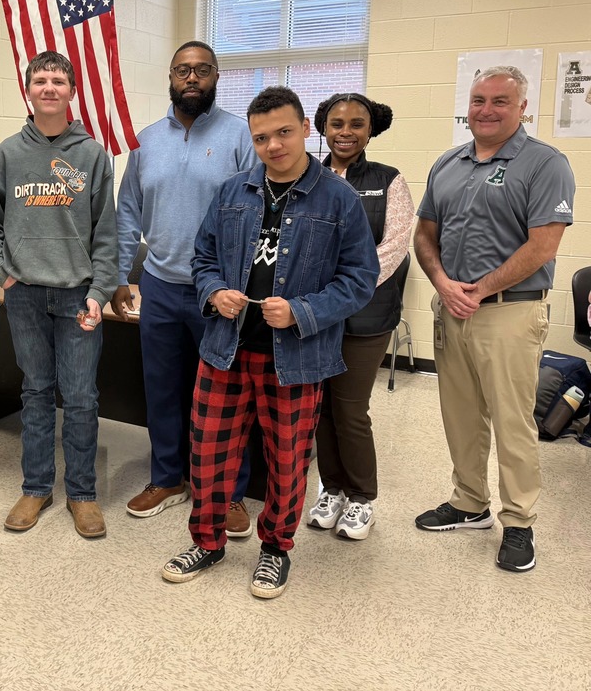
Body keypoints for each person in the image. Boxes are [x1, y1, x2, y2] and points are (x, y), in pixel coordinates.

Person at [162, 86, 378, 599]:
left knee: (286, 459)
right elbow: (203, 259)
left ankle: (276, 549)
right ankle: (208, 541)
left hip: (296, 358)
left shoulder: (338, 198)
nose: (274, 145)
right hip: (225, 349)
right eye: (261, 137)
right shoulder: (234, 191)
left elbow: (360, 278)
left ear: (306, 128)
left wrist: (302, 311)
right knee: (209, 452)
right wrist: (214, 292)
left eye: (284, 132)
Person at [414, 65, 574, 573]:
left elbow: (544, 244)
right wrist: (442, 283)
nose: (486, 110)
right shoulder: (449, 162)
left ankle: (520, 521)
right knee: (460, 415)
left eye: (500, 101)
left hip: (509, 313)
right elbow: (424, 234)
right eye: (479, 99)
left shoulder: (545, 163)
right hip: (451, 308)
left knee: (512, 420)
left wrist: (480, 289)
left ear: (523, 107)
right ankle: (469, 504)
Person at [114, 41, 258, 537]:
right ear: (170, 78)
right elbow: (128, 211)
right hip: (157, 284)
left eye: (201, 70)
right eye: (182, 70)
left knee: (224, 395)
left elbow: (256, 212)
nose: (191, 78)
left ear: (216, 76)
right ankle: (168, 478)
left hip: (217, 292)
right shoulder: (146, 140)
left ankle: (230, 491)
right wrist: (118, 276)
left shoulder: (241, 136)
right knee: (162, 391)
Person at [0, 51, 118, 539]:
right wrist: (2, 273)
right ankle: (36, 486)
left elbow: (107, 234)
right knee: (35, 392)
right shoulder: (9, 154)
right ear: (28, 90)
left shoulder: (92, 155)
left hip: (79, 296)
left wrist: (101, 291)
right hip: (25, 297)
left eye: (59, 80)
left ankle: (82, 493)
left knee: (80, 397)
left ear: (72, 91)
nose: (50, 88)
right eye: (41, 80)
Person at [306, 93, 415, 540]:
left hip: (366, 317)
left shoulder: (389, 181)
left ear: (371, 130)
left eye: (356, 124)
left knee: (351, 410)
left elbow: (392, 248)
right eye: (336, 123)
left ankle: (362, 498)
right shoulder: (307, 177)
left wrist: (342, 287)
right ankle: (331, 489)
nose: (345, 132)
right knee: (320, 410)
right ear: (323, 128)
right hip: (313, 316)